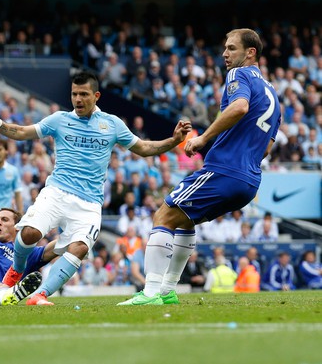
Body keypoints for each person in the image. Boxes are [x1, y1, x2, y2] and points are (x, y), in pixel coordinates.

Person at [0, 71, 191, 305]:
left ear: (96, 96)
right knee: (29, 234)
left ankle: (40, 295)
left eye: (83, 94)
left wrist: (174, 140)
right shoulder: (59, 119)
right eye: (74, 94)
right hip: (57, 192)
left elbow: (145, 148)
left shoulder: (112, 124)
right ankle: (16, 272)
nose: (78, 99)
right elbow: (22, 132)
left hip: (89, 202)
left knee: (78, 248)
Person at [118, 28, 281, 305]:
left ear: (250, 52)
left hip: (224, 170)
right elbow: (267, 147)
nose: (224, 54)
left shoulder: (239, 75)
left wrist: (204, 138)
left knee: (164, 215)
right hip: (250, 181)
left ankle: (150, 292)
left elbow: (239, 107)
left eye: (231, 48)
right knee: (185, 221)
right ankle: (168, 291)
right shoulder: (273, 95)